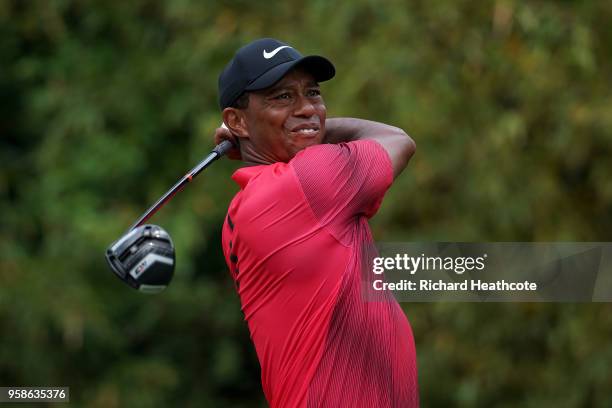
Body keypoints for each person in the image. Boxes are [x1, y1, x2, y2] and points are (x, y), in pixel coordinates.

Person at [215, 38, 418, 407]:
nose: (308, 108)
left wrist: (269, 132)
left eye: (312, 94)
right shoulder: (309, 183)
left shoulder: (242, 209)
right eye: (282, 98)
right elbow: (397, 140)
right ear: (236, 120)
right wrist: (311, 128)